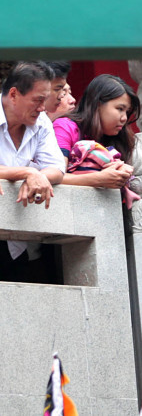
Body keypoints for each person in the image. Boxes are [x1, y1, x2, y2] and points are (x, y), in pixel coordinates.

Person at [0, 62, 65, 282]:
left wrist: (38, 176)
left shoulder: (41, 122)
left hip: (15, 240)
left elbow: (57, 168)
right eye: (37, 100)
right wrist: (27, 172)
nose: (42, 108)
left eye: (44, 101)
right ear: (14, 94)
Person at [52, 74, 138, 197]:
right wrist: (99, 179)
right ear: (97, 104)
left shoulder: (115, 138)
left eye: (127, 112)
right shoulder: (65, 127)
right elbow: (54, 177)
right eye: (120, 109)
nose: (124, 118)